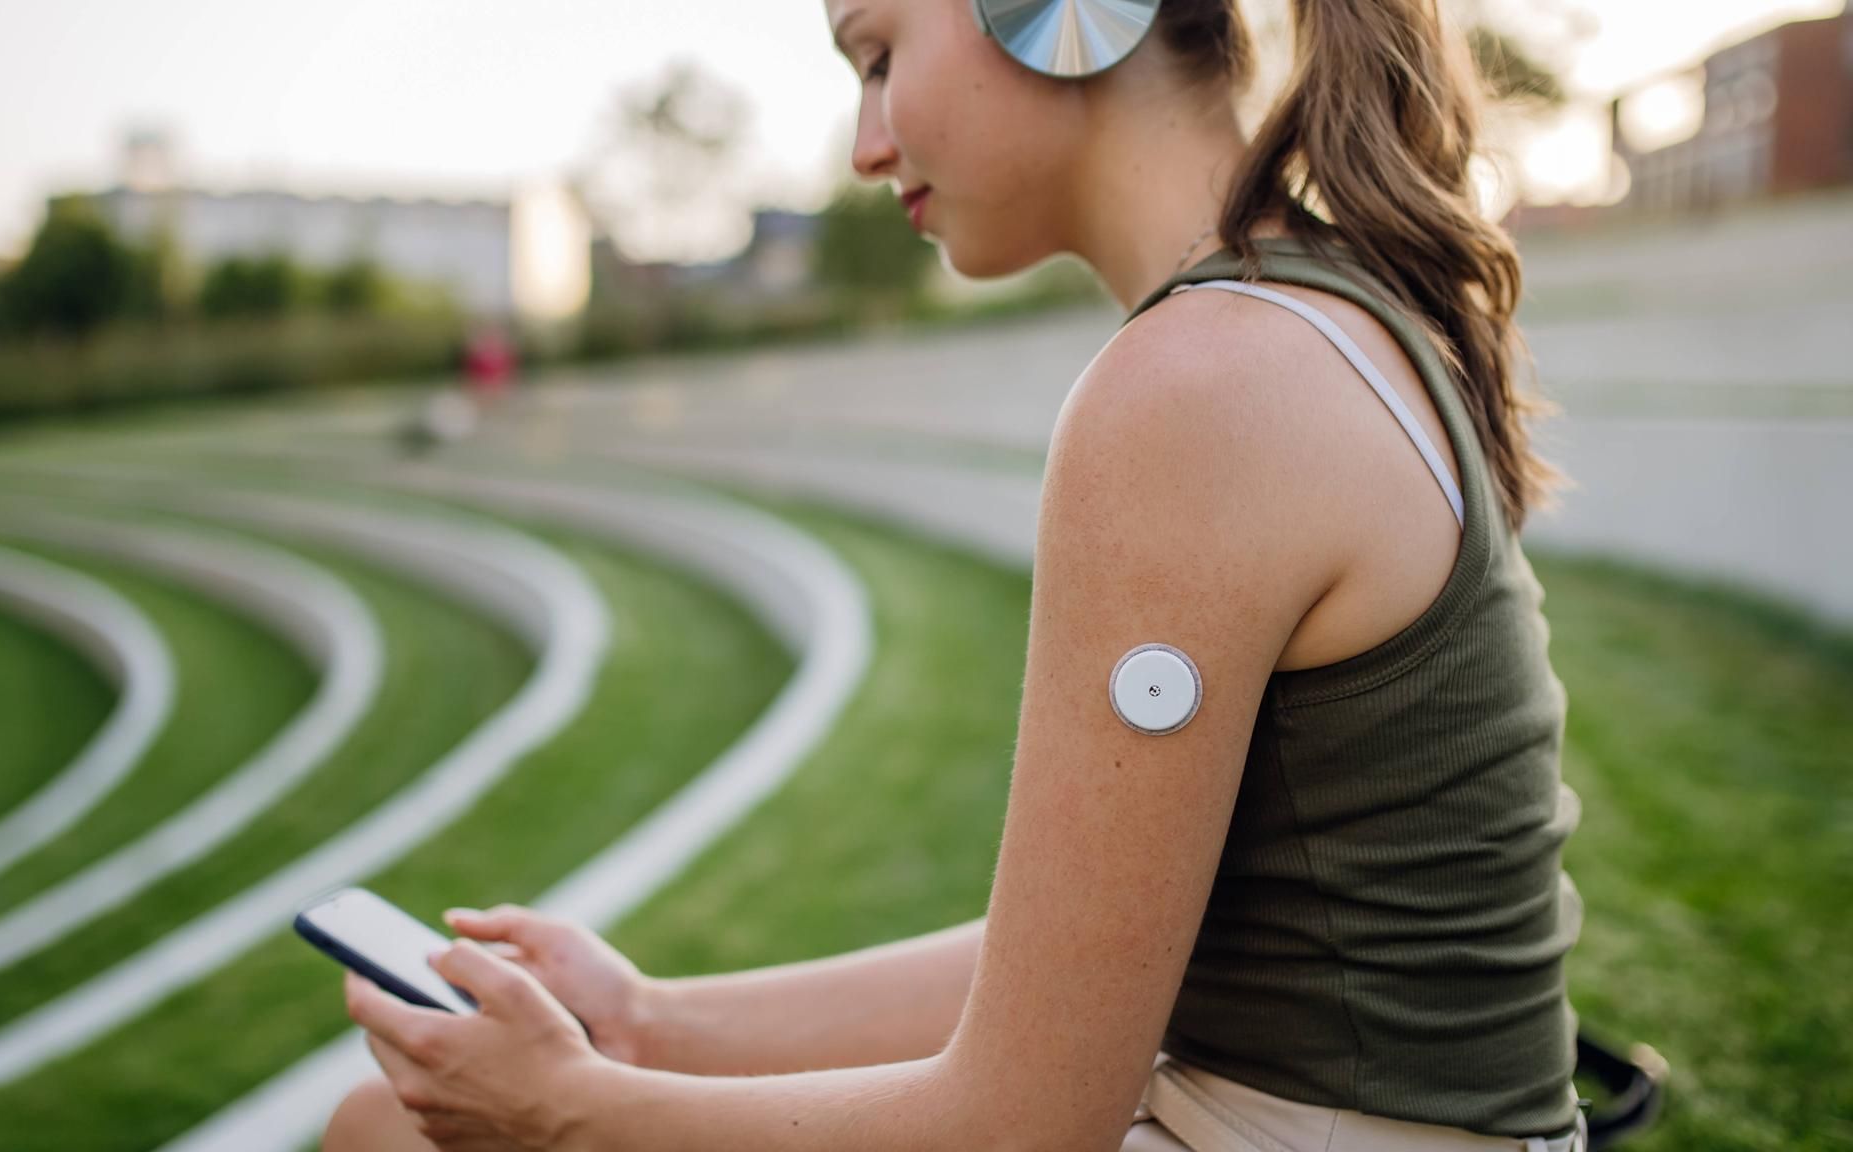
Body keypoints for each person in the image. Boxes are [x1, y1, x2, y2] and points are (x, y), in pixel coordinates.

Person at [325, 0, 1586, 1148]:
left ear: (1061, 16)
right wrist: (649, 1022)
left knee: (383, 1135)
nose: (866, 145)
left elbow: (1018, 1128)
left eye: (877, 59)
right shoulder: (1301, 317)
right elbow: (1093, 956)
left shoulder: (1203, 384)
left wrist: (566, 1110)